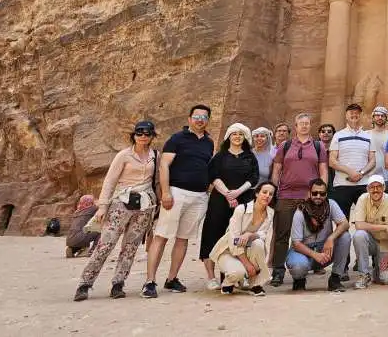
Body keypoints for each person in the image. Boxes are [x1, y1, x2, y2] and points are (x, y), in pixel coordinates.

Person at [73, 121, 159, 301]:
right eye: (139, 133)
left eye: (147, 133)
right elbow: (110, 180)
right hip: (121, 203)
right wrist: (103, 206)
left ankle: (118, 283)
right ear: (133, 135)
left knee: (131, 246)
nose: (143, 136)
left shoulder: (154, 156)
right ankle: (85, 284)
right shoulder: (124, 155)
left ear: (152, 136)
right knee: (105, 243)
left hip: (144, 205)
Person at [143, 104, 214, 298]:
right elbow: (164, 165)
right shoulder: (177, 139)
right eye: (197, 116)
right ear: (190, 119)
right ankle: (149, 281)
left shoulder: (209, 142)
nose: (200, 120)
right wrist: (165, 192)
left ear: (208, 120)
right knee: (162, 236)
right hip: (177, 193)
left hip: (199, 196)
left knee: (183, 239)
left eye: (204, 117)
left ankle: (171, 279)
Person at [269, 113, 328, 286]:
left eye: (307, 123)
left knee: (310, 233)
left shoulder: (318, 146)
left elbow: (323, 170)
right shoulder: (286, 145)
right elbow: (277, 169)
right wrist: (274, 189)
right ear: (295, 126)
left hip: (309, 198)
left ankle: (305, 267)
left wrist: (321, 191)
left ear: (310, 125)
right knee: (281, 234)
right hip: (286, 196)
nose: (304, 126)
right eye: (300, 123)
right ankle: (278, 272)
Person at [199, 123, 259, 290]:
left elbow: (253, 178)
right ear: (228, 137)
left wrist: (237, 193)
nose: (237, 137)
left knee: (239, 237)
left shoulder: (249, 157)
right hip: (220, 200)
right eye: (234, 134)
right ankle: (211, 277)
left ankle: (240, 275)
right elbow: (213, 175)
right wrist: (227, 193)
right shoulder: (220, 156)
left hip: (243, 199)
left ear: (245, 137)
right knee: (213, 234)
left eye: (240, 134)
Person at [209, 182, 276, 296]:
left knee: (259, 243)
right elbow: (233, 239)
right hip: (229, 251)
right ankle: (228, 283)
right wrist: (248, 265)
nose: (267, 196)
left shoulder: (270, 212)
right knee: (237, 272)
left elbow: (262, 234)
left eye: (271, 194)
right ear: (256, 194)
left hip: (248, 249)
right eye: (264, 192)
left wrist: (249, 234)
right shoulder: (241, 209)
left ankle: (254, 285)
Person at [285, 178, 350, 292]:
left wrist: (331, 238)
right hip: (303, 250)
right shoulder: (300, 211)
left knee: (345, 236)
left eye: (322, 193)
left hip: (324, 247)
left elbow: (344, 223)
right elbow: (296, 244)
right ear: (309, 193)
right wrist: (315, 255)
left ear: (326, 194)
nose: (318, 196)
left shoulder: (331, 204)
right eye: (314, 193)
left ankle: (335, 278)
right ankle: (299, 280)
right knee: (299, 266)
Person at [352, 175, 388, 288]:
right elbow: (359, 225)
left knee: (387, 280)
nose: (375, 190)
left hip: (386, 245)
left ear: (384, 187)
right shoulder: (363, 199)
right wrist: (384, 227)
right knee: (359, 235)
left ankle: (377, 270)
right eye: (372, 187)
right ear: (367, 189)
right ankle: (364, 274)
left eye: (379, 186)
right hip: (370, 242)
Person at [328, 103, 376, 219]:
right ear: (346, 115)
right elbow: (332, 161)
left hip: (363, 184)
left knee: (366, 219)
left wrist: (361, 173)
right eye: (351, 112)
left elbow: (373, 161)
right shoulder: (338, 135)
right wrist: (351, 172)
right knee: (342, 221)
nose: (354, 115)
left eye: (357, 113)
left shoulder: (368, 136)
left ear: (361, 115)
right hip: (342, 185)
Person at [369, 106, 388, 180]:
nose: (380, 118)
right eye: (377, 115)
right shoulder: (365, 135)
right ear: (373, 118)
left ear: (386, 119)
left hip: (387, 176)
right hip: (368, 176)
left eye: (382, 116)